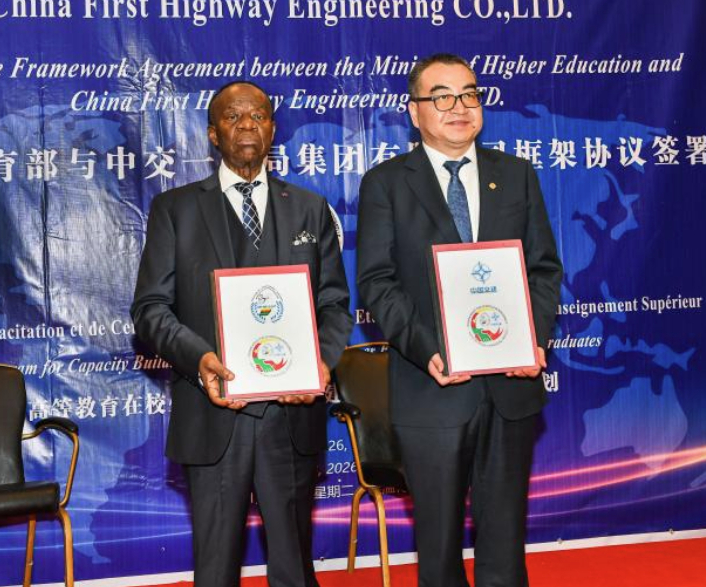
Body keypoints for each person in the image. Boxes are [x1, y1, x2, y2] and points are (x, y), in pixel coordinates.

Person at [131, 80, 353, 587]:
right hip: (212, 411)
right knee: (215, 569)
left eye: (258, 115)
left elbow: (334, 303)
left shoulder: (310, 209)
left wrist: (322, 362)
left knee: (294, 566)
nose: (247, 124)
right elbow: (150, 309)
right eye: (233, 117)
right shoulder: (176, 210)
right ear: (213, 134)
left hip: (291, 415)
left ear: (273, 128)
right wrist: (200, 358)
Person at [356, 54, 563, 587]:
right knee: (440, 544)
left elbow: (543, 269)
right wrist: (429, 350)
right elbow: (378, 283)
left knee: (503, 539)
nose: (459, 107)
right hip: (432, 386)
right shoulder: (386, 184)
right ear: (415, 111)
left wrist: (532, 340)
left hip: (510, 388)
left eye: (470, 94)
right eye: (441, 96)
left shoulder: (515, 175)